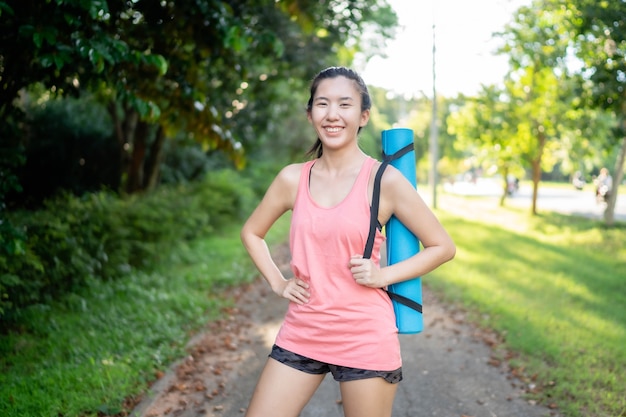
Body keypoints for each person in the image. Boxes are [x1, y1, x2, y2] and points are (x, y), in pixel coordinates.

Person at [240, 66, 456, 417]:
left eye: (345, 104)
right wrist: (278, 283)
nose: (333, 114)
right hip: (304, 329)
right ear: (310, 114)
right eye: (322, 104)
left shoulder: (384, 180)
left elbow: (442, 246)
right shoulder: (292, 178)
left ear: (363, 116)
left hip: (364, 334)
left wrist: (382, 276)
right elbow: (252, 232)